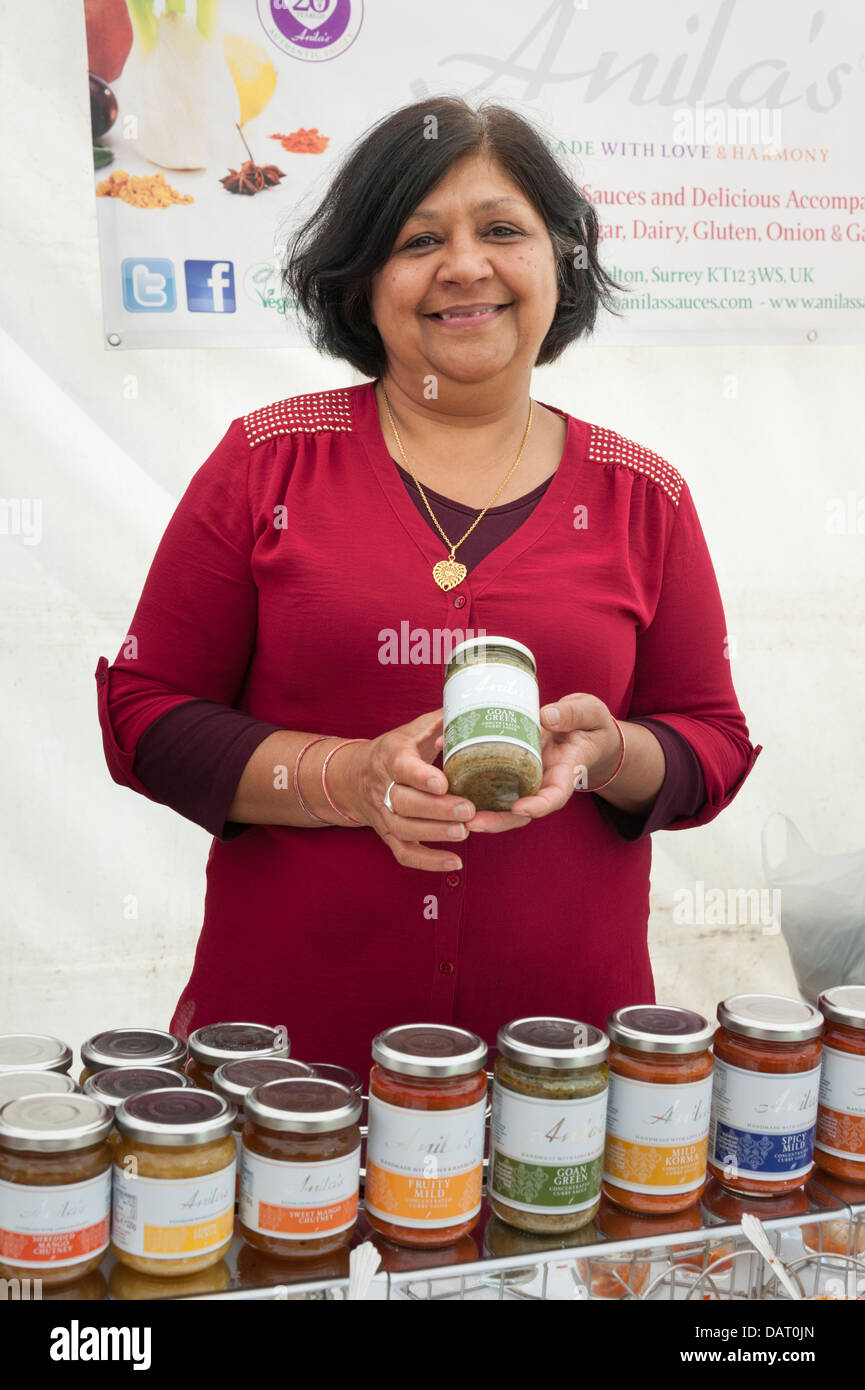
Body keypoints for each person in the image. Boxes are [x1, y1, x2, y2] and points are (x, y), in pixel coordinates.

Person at [95, 98, 761, 1079]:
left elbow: (713, 742)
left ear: (560, 262)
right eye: (419, 239)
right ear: (363, 281)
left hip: (556, 1058)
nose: (465, 266)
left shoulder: (641, 497)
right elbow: (145, 718)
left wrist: (610, 752)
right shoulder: (265, 466)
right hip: (290, 1056)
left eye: (502, 230)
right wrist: (343, 779)